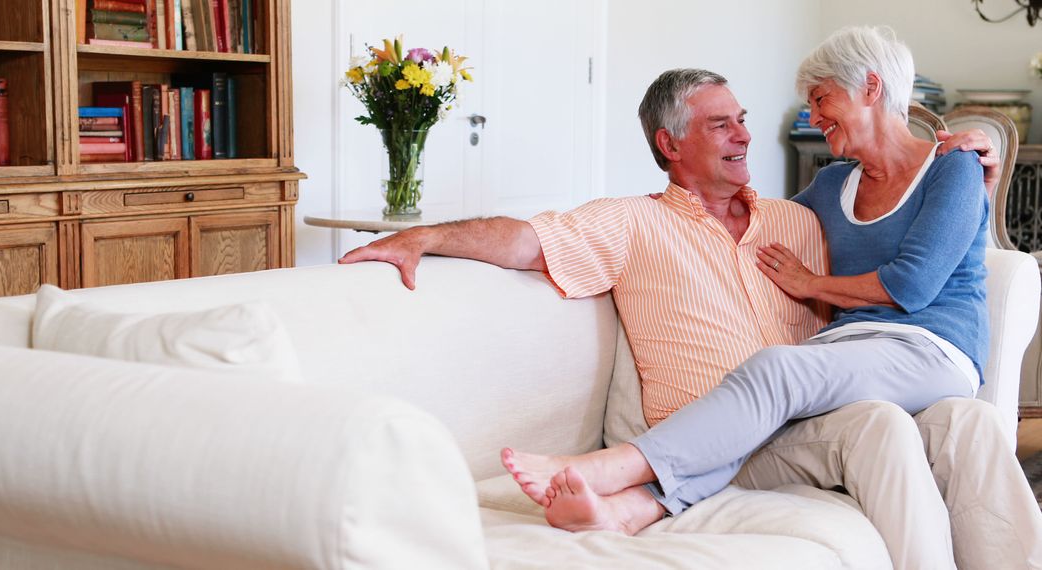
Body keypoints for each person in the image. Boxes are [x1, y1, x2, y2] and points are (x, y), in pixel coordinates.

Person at [339, 37, 1039, 570]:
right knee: (881, 423)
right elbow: (525, 241)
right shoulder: (635, 221)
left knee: (962, 426)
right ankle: (632, 490)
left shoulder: (796, 220)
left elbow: (919, 254)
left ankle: (632, 494)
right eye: (720, 125)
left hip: (811, 413)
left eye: (741, 120)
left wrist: (977, 153)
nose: (744, 134)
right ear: (669, 144)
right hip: (727, 426)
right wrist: (425, 235)